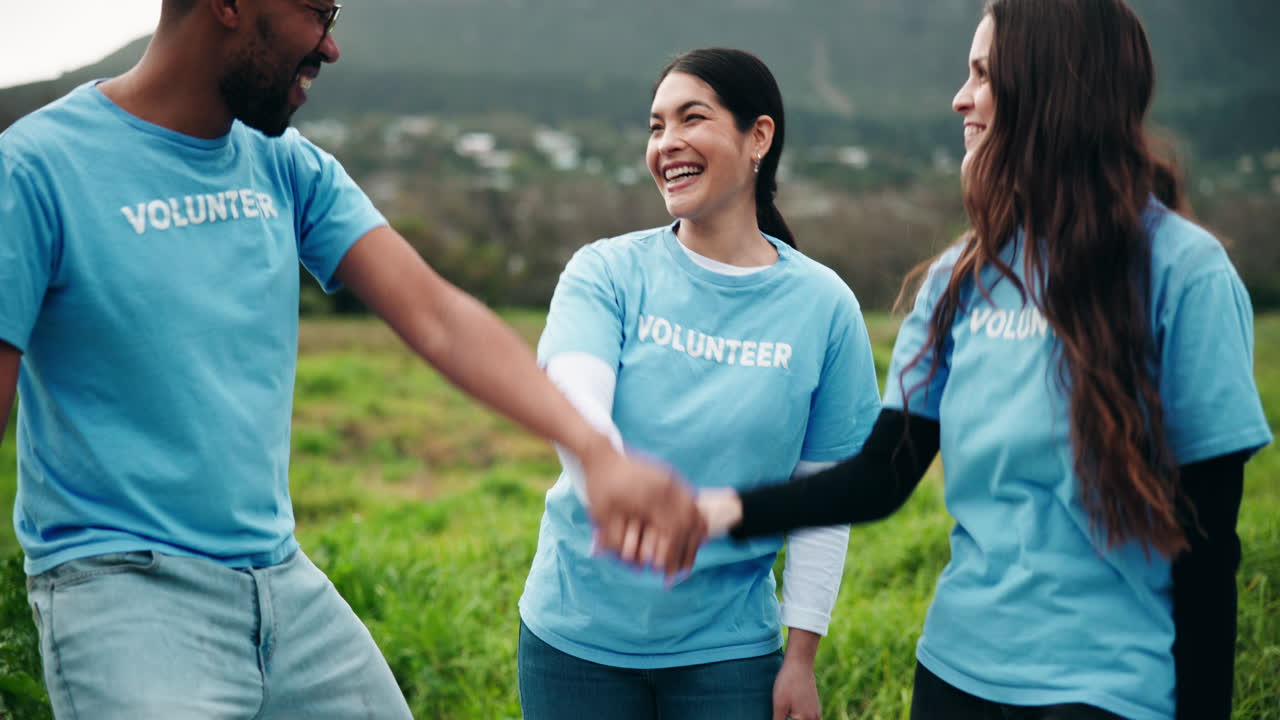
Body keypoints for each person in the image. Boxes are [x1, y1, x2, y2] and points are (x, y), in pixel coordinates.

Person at [0, 1, 704, 717]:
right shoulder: (36, 170)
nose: (331, 48)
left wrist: (594, 451)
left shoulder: (283, 163)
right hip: (124, 594)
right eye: (317, 11)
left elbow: (435, 315)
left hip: (279, 580)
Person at [692, 2, 1273, 719]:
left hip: (1105, 692)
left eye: (982, 74)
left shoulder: (1185, 273)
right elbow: (883, 475)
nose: (959, 97)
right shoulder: (960, 279)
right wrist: (721, 510)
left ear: (1050, 87)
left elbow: (1209, 547)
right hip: (953, 674)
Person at [515, 48, 883, 720]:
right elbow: (573, 391)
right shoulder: (608, 272)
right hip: (574, 643)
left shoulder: (824, 307)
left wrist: (800, 659)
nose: (667, 144)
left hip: (729, 656)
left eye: (691, 118)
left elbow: (822, 499)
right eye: (656, 127)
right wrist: (611, 473)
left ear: (759, 138)